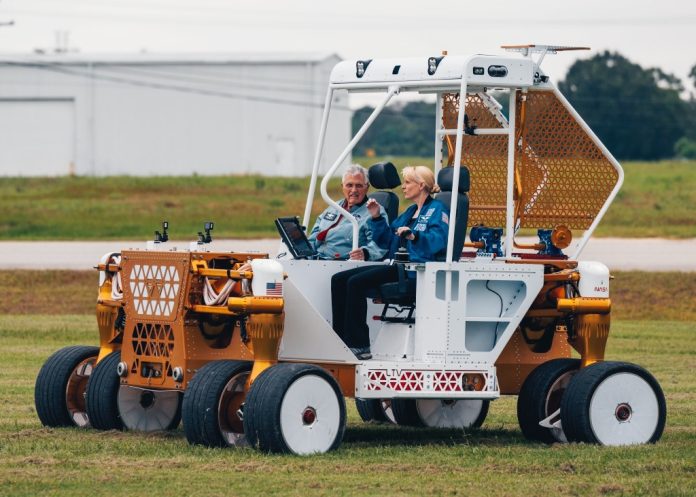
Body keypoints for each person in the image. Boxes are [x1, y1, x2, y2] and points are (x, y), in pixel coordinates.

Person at [331, 165, 450, 359]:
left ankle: (359, 345)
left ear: (421, 185)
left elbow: (439, 240)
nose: (403, 187)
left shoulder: (437, 210)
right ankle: (340, 339)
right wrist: (376, 217)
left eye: (408, 182)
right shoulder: (410, 211)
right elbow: (386, 240)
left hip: (414, 270)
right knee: (338, 279)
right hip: (397, 265)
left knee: (355, 283)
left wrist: (414, 236)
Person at [308, 164, 387, 261]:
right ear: (342, 187)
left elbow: (381, 244)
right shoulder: (333, 207)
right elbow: (314, 236)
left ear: (367, 188)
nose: (354, 190)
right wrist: (304, 253)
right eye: (349, 185)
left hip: (343, 263)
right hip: (316, 260)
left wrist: (365, 253)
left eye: (359, 185)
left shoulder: (375, 211)